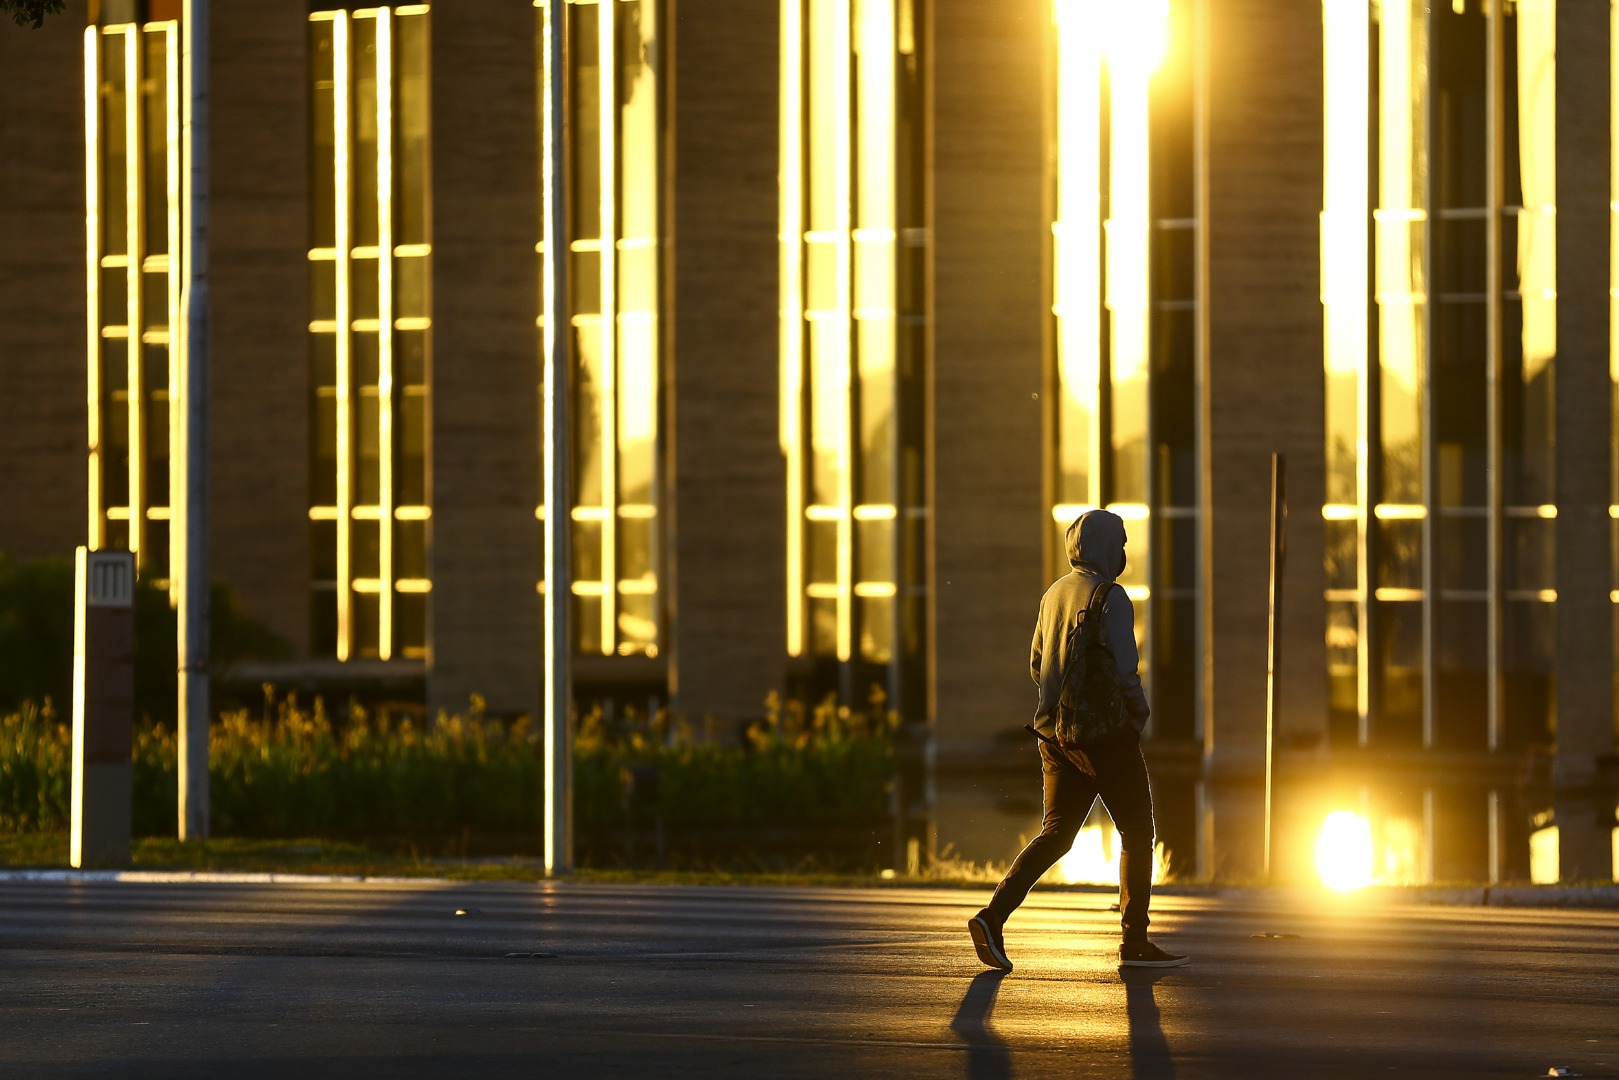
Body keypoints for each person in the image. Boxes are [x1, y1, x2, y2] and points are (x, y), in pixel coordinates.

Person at [968, 508, 1190, 971]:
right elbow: (1127, 670)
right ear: (1106, 547)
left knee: (1056, 835)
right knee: (1137, 831)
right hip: (1105, 737)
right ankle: (1134, 943)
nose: (1125, 552)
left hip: (1053, 735)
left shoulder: (1053, 594)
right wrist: (1138, 716)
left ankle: (993, 915)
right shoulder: (1112, 596)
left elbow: (1035, 663)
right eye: (1122, 543)